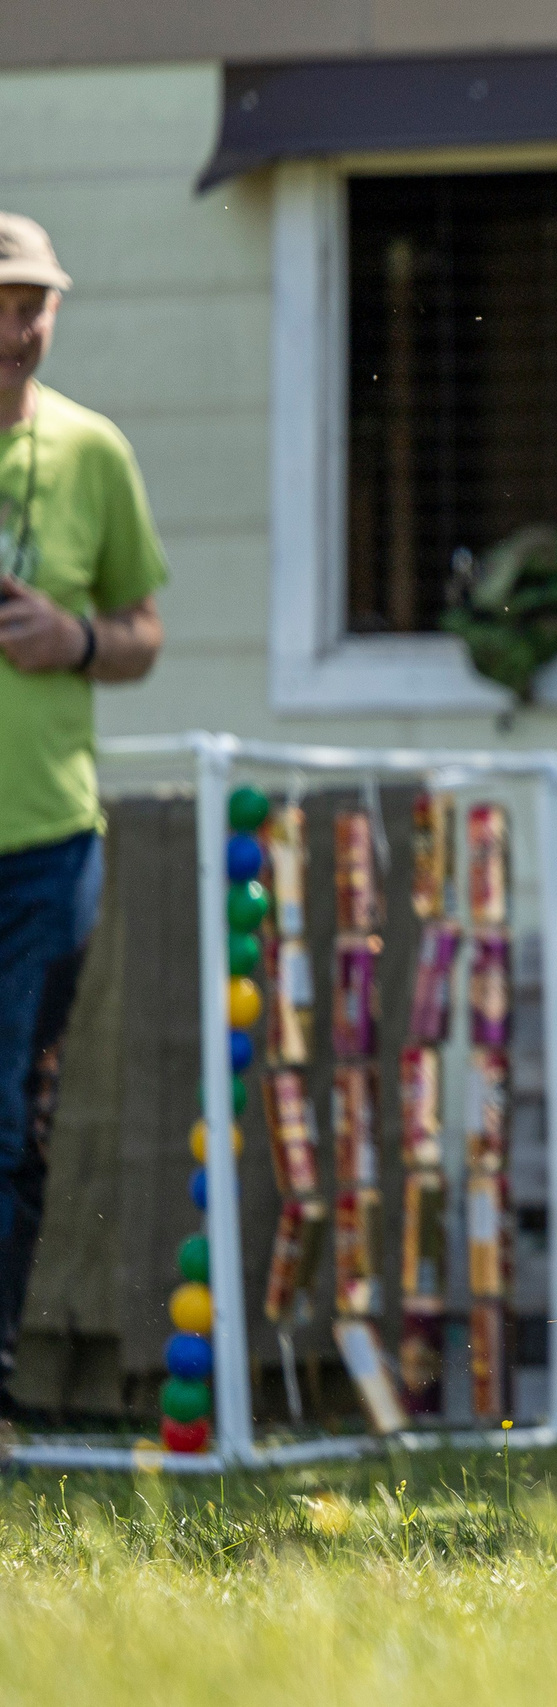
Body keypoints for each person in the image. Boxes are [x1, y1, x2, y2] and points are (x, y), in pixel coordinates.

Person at [0, 211, 168, 1419]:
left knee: (11, 1123)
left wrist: (78, 641)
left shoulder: (92, 452)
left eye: (34, 304)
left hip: (45, 847)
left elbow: (145, 637)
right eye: (2, 304)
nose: (19, 327)